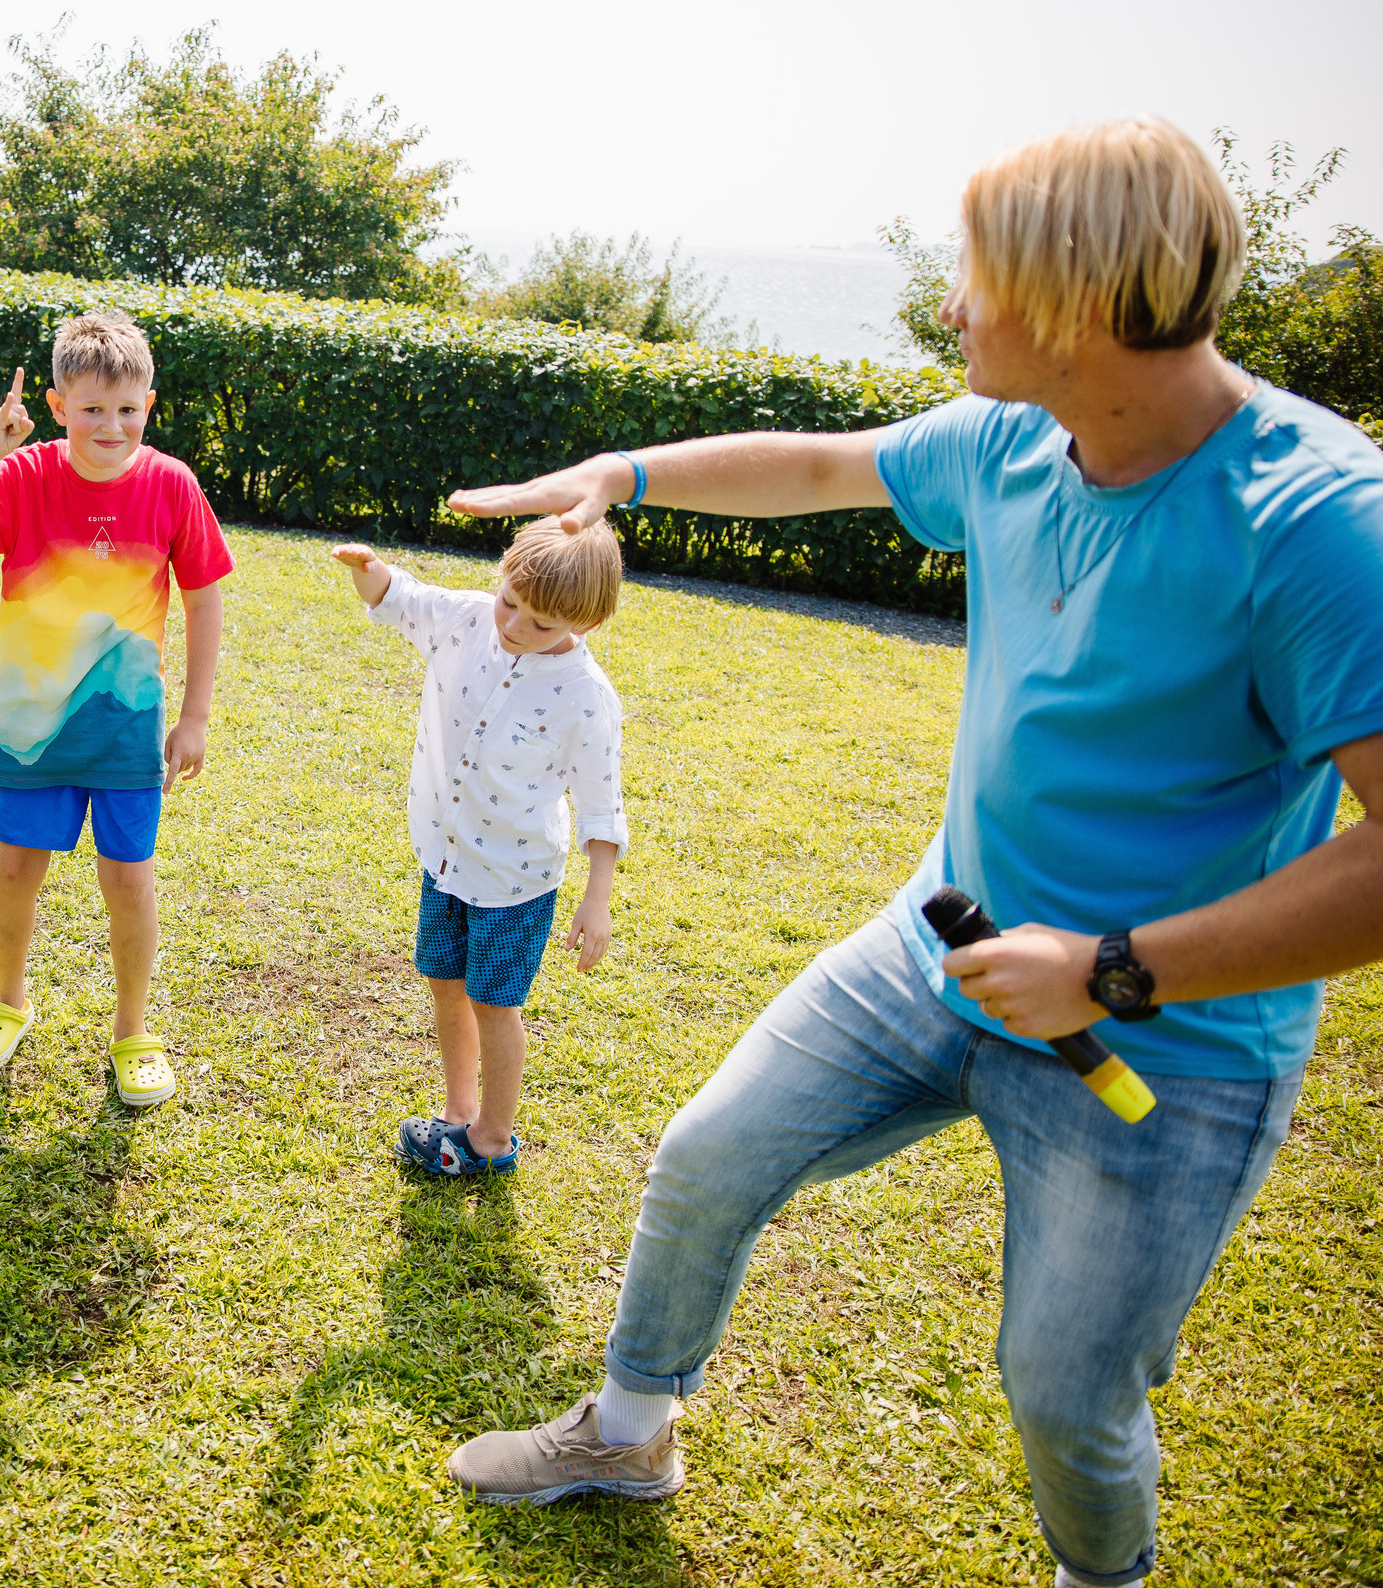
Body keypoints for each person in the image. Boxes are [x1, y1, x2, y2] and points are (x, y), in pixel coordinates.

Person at [435, 118, 1383, 1588]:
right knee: (706, 1156)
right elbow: (820, 464)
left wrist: (1112, 967)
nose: (951, 305)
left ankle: (1102, 1576)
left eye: (974, 275)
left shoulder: (1316, 522)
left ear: (1078, 293)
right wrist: (622, 472)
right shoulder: (1012, 440)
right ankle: (628, 1428)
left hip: (1172, 1046)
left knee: (1068, 1389)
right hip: (937, 941)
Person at [0, 312, 234, 1106]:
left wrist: (195, 715)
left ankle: (132, 1028)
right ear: (56, 406)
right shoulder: (23, 478)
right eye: (91, 408)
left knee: (129, 880)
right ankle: (8, 999)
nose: (109, 425)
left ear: (148, 405)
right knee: (16, 868)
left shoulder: (172, 485)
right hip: (32, 733)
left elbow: (204, 598)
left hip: (126, 735)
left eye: (126, 408)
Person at [330, 519, 629, 1176]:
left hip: (515, 879)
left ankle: (492, 1139)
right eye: (510, 602)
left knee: (494, 1001)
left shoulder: (586, 697)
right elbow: (404, 599)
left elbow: (602, 805)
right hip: (445, 855)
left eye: (542, 622)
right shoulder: (468, 618)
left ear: (588, 622)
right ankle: (458, 1111)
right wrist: (370, 570)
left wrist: (597, 899)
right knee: (444, 980)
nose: (516, 625)